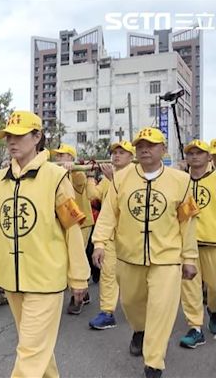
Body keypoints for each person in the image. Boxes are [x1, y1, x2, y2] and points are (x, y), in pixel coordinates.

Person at [0, 110, 90, 378]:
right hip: (12, 280)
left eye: (19, 135)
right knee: (36, 349)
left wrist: (79, 276)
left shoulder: (56, 177)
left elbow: (72, 229)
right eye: (8, 136)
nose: (12, 141)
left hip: (46, 280)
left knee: (30, 355)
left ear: (36, 137)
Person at [92, 127, 198, 378]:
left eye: (151, 145)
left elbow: (187, 223)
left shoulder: (181, 182)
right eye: (140, 145)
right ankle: (139, 329)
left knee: (161, 310)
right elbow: (108, 214)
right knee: (130, 302)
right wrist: (99, 242)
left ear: (163, 149)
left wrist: (189, 258)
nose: (144, 149)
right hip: (128, 256)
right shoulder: (121, 178)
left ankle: (153, 363)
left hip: (167, 258)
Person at [87, 140, 135, 330]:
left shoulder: (137, 174)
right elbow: (94, 196)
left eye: (122, 152)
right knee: (108, 273)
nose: (116, 155)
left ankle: (141, 312)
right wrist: (90, 178)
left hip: (132, 235)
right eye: (114, 152)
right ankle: (107, 312)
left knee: (134, 277)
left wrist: (114, 177)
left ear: (131, 156)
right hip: (110, 234)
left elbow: (129, 198)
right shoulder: (107, 178)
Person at [179, 139, 216, 348]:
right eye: (190, 153)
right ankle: (195, 328)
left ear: (208, 156)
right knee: (190, 288)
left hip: (213, 242)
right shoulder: (181, 182)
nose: (194, 156)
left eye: (199, 153)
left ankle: (214, 311)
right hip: (188, 246)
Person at [52, 143, 93, 314]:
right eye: (58, 156)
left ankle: (76, 297)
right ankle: (84, 292)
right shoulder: (56, 173)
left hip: (82, 222)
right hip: (66, 221)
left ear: (70, 158)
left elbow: (79, 180)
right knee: (69, 256)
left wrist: (73, 169)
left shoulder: (78, 173)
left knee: (75, 257)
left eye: (62, 155)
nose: (58, 158)